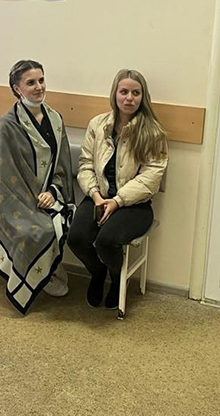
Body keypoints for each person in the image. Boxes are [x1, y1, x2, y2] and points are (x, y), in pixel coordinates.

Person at [68, 69, 168, 309]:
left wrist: (118, 201)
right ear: (115, 94)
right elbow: (85, 165)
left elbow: (151, 178)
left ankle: (116, 280)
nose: (129, 98)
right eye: (124, 92)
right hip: (98, 197)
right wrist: (96, 196)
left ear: (143, 97)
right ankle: (98, 273)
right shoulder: (98, 124)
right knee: (76, 238)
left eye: (136, 93)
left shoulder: (153, 132)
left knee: (106, 241)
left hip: (134, 205)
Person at [0, 60, 74, 314]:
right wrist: (34, 198)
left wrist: (53, 192)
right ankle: (38, 275)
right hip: (15, 199)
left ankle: (48, 271)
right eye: (31, 82)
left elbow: (63, 164)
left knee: (56, 223)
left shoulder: (56, 120)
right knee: (34, 230)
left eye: (41, 80)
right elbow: (5, 175)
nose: (38, 87)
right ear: (17, 88)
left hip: (51, 194)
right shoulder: (7, 125)